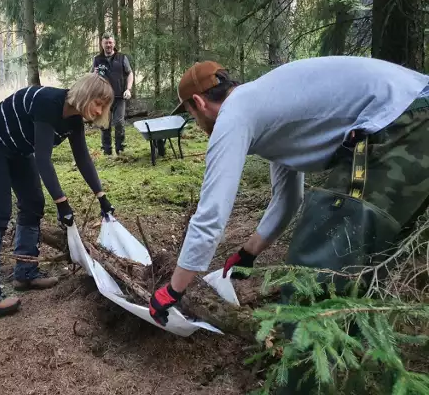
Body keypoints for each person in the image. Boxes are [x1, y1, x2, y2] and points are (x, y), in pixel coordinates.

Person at [148, 57, 429, 331]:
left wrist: (174, 290)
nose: (197, 122)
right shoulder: (267, 108)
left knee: (317, 258)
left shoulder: (235, 114)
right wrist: (248, 253)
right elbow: (288, 199)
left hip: (401, 119)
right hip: (412, 108)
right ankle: (352, 346)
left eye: (192, 114)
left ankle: (306, 365)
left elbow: (211, 216)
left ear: (199, 103)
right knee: (363, 254)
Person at [0, 73, 116, 317]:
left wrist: (102, 198)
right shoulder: (49, 103)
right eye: (98, 102)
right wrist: (62, 205)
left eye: (104, 106)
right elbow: (43, 160)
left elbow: (83, 159)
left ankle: (25, 273)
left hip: (17, 148)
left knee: (33, 202)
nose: (100, 110)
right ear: (85, 95)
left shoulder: (74, 120)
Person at [91, 33, 134, 155]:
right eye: (106, 43)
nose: (108, 45)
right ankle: (107, 150)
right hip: (103, 98)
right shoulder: (97, 59)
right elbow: (91, 77)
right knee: (104, 124)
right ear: (102, 44)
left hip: (120, 96)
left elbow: (130, 73)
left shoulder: (122, 57)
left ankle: (120, 149)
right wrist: (94, 74)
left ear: (114, 43)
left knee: (119, 122)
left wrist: (128, 89)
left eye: (110, 42)